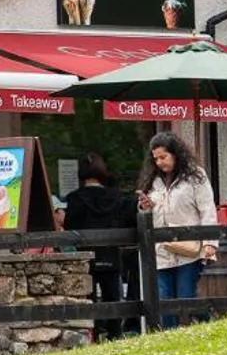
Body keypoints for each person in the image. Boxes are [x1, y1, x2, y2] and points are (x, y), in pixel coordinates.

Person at [136, 132, 215, 327]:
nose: (159, 163)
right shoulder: (153, 180)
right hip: (161, 251)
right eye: (156, 159)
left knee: (185, 296)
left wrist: (210, 242)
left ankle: (206, 321)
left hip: (188, 249)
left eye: (163, 157)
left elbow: (207, 209)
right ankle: (169, 336)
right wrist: (146, 207)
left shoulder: (196, 176)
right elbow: (152, 213)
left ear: (175, 153)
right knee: (164, 300)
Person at [62, 153, 138, 339]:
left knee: (88, 299)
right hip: (110, 253)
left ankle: (91, 335)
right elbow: (126, 221)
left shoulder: (75, 199)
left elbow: (70, 225)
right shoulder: (115, 197)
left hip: (85, 256)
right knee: (112, 296)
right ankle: (115, 334)